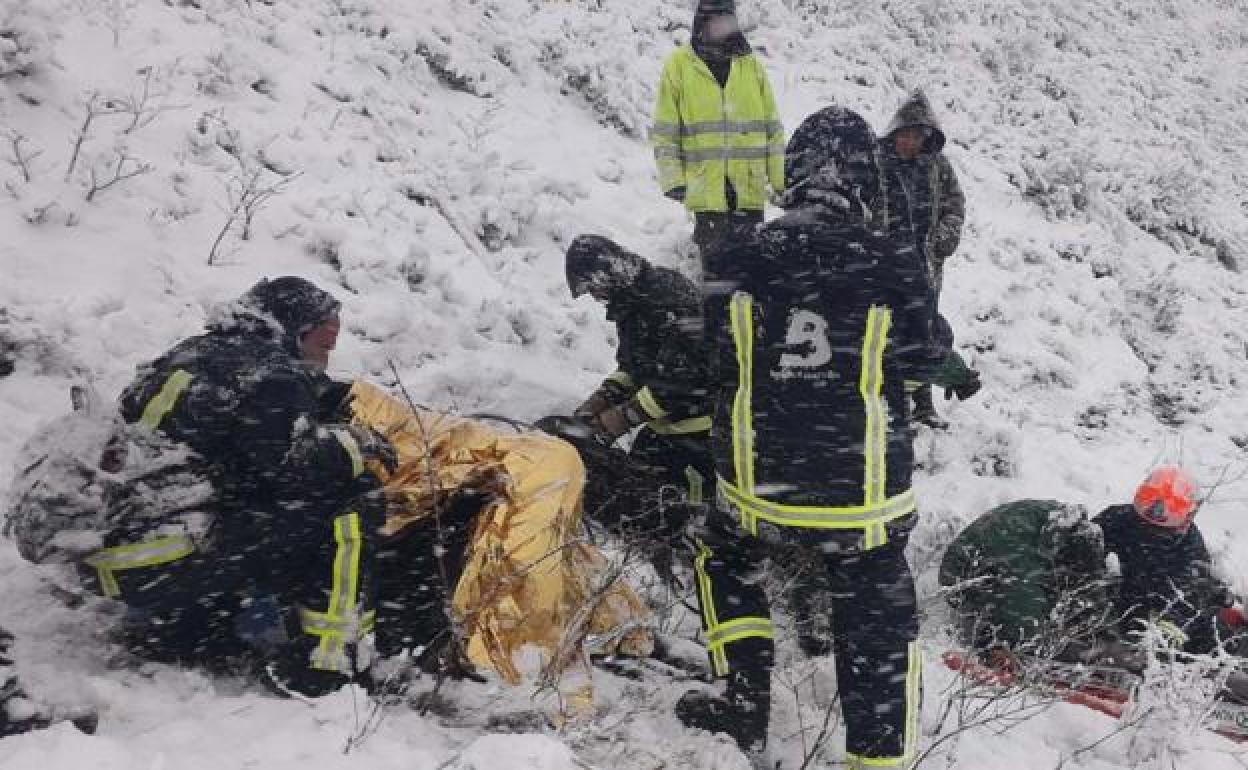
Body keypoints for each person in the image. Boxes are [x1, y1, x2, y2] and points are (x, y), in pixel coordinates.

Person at [673, 106, 981, 767]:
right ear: (868, 181)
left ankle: (742, 704)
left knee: (724, 558)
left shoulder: (736, 254)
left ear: (793, 173)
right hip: (860, 492)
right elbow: (923, 358)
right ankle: (875, 757)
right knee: (875, 603)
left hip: (757, 485)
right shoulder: (894, 262)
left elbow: (714, 361)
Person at [102, 276, 396, 696]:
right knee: (350, 503)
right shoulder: (268, 376)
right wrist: (357, 445)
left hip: (120, 545)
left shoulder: (194, 353)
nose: (327, 353)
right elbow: (295, 468)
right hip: (155, 559)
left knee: (246, 507)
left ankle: (183, 628)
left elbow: (227, 443)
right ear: (295, 331)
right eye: (324, 340)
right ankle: (326, 662)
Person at [553, 234, 712, 543]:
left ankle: (699, 551)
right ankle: (662, 542)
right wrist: (599, 402)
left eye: (593, 288)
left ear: (609, 272)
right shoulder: (634, 304)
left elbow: (679, 382)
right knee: (638, 489)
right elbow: (635, 369)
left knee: (693, 512)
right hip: (666, 428)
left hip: (701, 431)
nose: (596, 297)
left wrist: (619, 419)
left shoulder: (667, 300)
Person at [651, 0, 785, 259]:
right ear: (703, 22)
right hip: (706, 191)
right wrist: (673, 179)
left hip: (749, 191)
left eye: (730, 20)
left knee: (753, 271)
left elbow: (772, 127)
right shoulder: (678, 66)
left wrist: (780, 182)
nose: (726, 27)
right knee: (717, 275)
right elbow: (666, 131)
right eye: (720, 21)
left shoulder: (750, 64)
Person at [879, 89, 966, 426]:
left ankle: (924, 402)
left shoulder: (937, 168)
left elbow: (954, 207)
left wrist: (941, 241)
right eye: (906, 134)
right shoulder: (878, 164)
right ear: (895, 132)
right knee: (888, 330)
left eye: (918, 136)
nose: (910, 143)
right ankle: (891, 398)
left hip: (925, 265)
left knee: (925, 328)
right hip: (885, 266)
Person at [1095, 466, 1242, 656]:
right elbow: (1083, 560)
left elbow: (1187, 591)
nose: (1155, 516)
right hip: (1111, 604)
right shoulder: (1116, 520)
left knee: (1217, 632)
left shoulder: (1189, 543)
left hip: (1157, 614)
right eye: (1152, 504)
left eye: (1167, 509)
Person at [939, 500, 1108, 662]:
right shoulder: (1023, 557)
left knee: (1056, 610)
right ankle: (990, 647)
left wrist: (1105, 638)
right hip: (961, 577)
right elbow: (1023, 609)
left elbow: (1091, 588)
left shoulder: (1074, 534)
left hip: (1011, 567)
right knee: (1021, 635)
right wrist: (1027, 647)